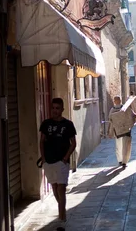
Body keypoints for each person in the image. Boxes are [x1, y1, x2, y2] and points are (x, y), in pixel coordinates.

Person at [39, 97, 77, 226]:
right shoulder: (46, 124)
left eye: (58, 108)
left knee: (61, 188)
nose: (55, 111)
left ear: (62, 109)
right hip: (49, 161)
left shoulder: (68, 124)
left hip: (61, 162)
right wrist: (43, 158)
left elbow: (73, 143)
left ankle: (62, 216)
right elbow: (42, 141)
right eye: (53, 108)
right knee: (54, 188)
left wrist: (66, 158)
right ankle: (62, 211)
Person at [108, 96, 136, 169]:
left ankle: (123, 161)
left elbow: (132, 114)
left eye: (117, 100)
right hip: (121, 131)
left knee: (125, 146)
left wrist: (135, 116)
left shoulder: (125, 108)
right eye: (116, 100)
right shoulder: (113, 110)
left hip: (124, 130)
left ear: (119, 100)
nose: (116, 101)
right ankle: (122, 161)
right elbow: (110, 119)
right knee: (121, 146)